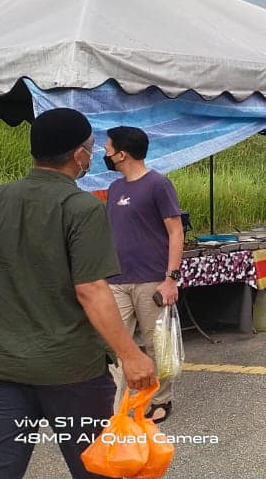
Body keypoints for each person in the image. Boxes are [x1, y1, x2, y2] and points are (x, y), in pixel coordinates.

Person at [0, 108, 157, 479]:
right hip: (71, 370)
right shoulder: (80, 207)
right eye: (91, 149)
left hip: (0, 367)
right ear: (79, 154)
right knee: (96, 466)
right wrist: (131, 354)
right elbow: (92, 290)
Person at [103, 126, 183, 424]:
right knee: (114, 345)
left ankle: (162, 399)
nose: (105, 154)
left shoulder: (158, 184)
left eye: (108, 149)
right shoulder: (114, 189)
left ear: (122, 153)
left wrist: (171, 278)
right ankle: (111, 406)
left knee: (157, 343)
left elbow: (175, 231)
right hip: (116, 280)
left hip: (151, 279)